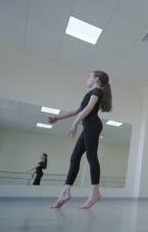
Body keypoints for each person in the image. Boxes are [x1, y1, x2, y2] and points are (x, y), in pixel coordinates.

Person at [48, 71, 112, 209]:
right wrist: (57, 118)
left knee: (91, 156)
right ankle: (65, 192)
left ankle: (95, 193)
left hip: (93, 126)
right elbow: (76, 110)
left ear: (96, 79)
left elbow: (89, 109)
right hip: (89, 126)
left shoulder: (97, 91)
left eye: (89, 76)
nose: (87, 78)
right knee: (75, 157)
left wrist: (75, 123)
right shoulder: (91, 93)